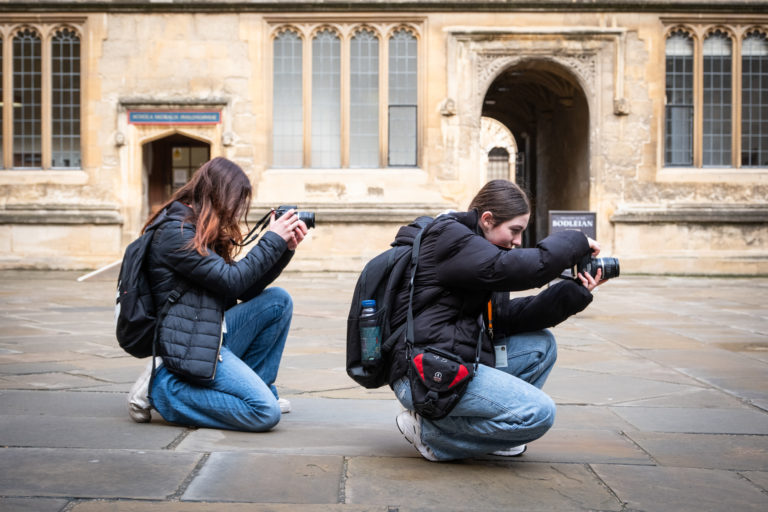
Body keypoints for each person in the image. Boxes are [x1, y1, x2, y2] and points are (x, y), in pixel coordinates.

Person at [389, 179, 603, 461]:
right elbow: (525, 269)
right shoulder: (451, 239)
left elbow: (504, 319)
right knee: (538, 414)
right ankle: (431, 434)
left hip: (452, 358)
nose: (517, 241)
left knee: (541, 346)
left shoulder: (479, 252)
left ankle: (488, 435)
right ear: (488, 219)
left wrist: (572, 293)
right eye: (514, 230)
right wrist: (575, 241)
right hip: (423, 373)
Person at [126, 156, 308, 431]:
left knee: (278, 301)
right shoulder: (176, 233)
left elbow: (243, 290)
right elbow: (232, 281)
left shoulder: (199, 230)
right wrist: (271, 239)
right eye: (236, 203)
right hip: (188, 341)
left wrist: (285, 249)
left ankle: (257, 386)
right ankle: (161, 389)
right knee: (264, 413)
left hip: (210, 331)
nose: (236, 212)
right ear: (220, 195)